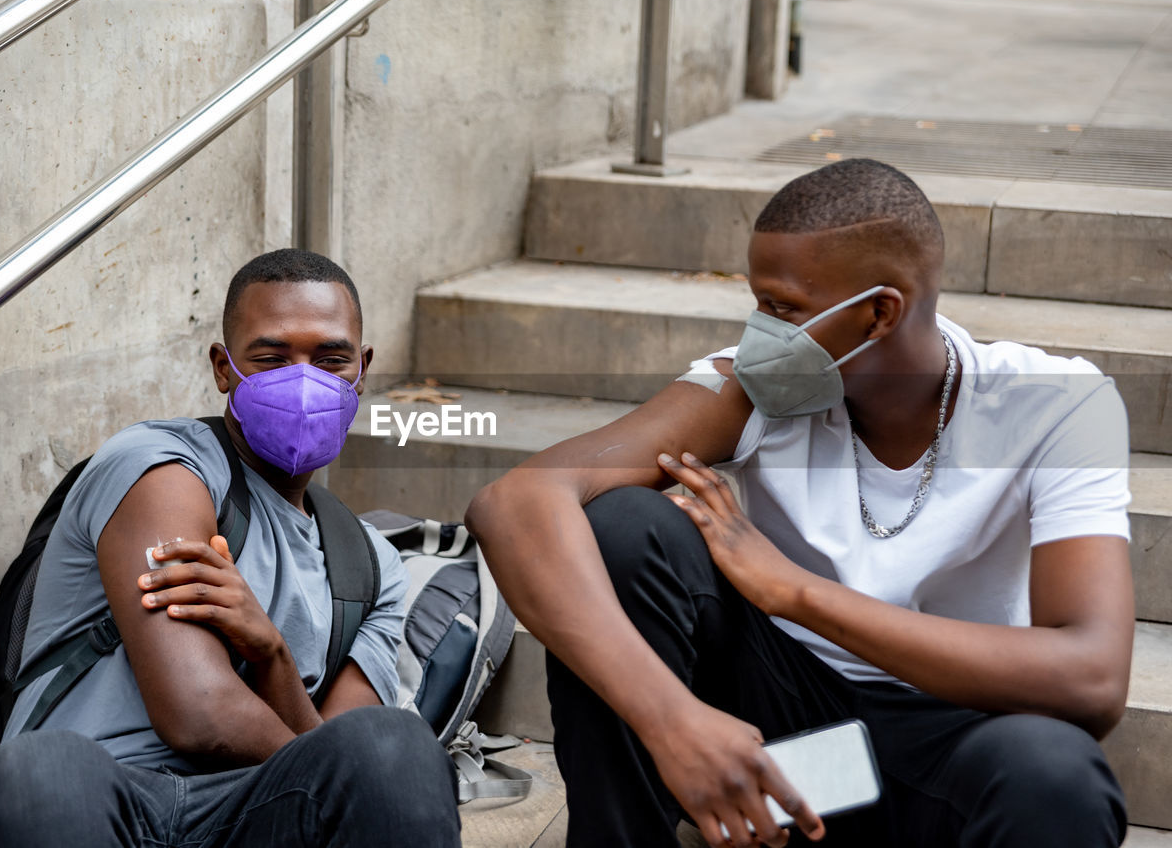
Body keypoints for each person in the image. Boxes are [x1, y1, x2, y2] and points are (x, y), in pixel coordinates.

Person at [466, 159, 1133, 848]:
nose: (761, 330)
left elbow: (1091, 677)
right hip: (779, 754)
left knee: (1058, 776)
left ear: (880, 312)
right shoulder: (751, 386)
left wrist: (796, 591)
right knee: (624, 531)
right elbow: (515, 501)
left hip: (955, 742)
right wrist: (673, 721)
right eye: (758, 302)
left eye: (783, 308)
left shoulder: (1054, 403)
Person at [0, 250, 462, 847]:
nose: (302, 383)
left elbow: (354, 760)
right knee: (44, 770)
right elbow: (197, 714)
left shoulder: (372, 565)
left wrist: (272, 656)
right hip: (100, 803)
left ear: (362, 369)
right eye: (270, 359)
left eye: (330, 359)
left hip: (252, 812)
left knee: (395, 747)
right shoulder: (161, 467)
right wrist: (329, 769)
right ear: (224, 368)